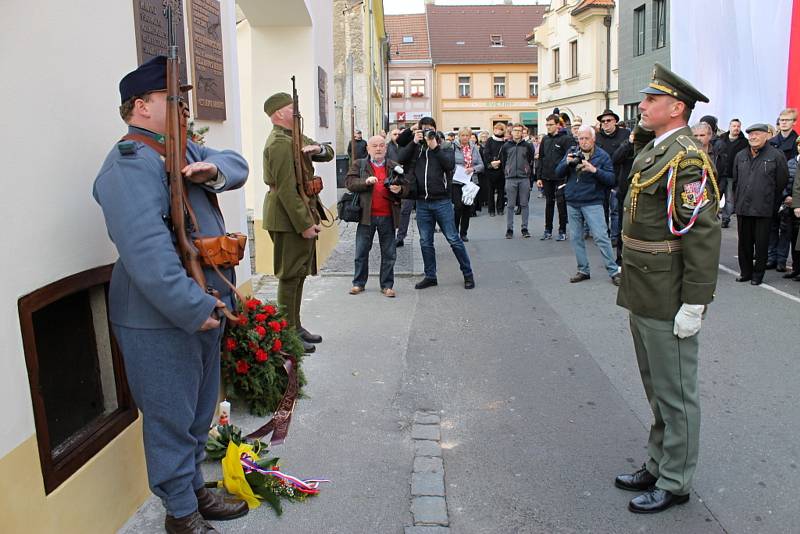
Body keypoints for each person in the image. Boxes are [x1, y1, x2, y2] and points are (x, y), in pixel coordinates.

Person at [93, 56, 250, 534]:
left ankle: (194, 491)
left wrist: (211, 170)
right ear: (141, 106)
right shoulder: (130, 164)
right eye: (172, 100)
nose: (183, 108)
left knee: (198, 413)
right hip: (160, 317)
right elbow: (147, 256)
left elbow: (237, 163)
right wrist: (194, 306)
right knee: (170, 419)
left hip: (202, 306)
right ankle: (181, 514)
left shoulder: (181, 152)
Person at [615, 63, 721, 514]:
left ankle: (676, 479)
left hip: (669, 291)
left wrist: (695, 302)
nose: (642, 106)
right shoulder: (655, 149)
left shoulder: (688, 157)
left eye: (651, 100)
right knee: (655, 386)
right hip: (644, 285)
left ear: (676, 108)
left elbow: (701, 233)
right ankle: (659, 462)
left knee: (675, 392)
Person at [262, 92, 335, 353]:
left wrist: (319, 149)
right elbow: (285, 190)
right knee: (290, 275)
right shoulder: (279, 143)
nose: (297, 112)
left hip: (298, 212)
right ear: (279, 113)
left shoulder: (294, 137)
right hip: (286, 218)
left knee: (300, 273)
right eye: (292, 108)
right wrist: (304, 223)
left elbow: (328, 152)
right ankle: (286, 335)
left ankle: (295, 326)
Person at [397, 116, 475, 289]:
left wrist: (435, 147)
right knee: (425, 241)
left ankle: (468, 274)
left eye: (429, 128)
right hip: (422, 202)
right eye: (423, 129)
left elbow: (449, 165)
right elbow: (400, 158)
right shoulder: (416, 148)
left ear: (434, 129)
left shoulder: (445, 146)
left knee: (453, 239)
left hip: (442, 202)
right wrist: (414, 142)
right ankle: (430, 276)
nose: (426, 132)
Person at [556, 125, 621, 284]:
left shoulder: (602, 155)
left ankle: (613, 271)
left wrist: (594, 170)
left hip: (592, 201)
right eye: (580, 138)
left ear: (593, 139)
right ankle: (583, 270)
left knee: (601, 237)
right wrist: (566, 162)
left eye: (586, 138)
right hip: (572, 200)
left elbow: (611, 180)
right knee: (576, 238)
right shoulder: (572, 152)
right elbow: (557, 172)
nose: (583, 142)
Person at [345, 136, 407, 297]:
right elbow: (349, 183)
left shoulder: (394, 166)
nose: (378, 149)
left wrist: (398, 190)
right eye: (374, 146)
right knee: (361, 251)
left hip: (387, 216)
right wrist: (365, 181)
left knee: (389, 253)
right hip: (366, 216)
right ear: (368, 149)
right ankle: (358, 283)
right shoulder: (360, 164)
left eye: (381, 146)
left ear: (386, 149)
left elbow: (407, 188)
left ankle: (387, 285)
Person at [732, 123, 789, 285]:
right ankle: (745, 272)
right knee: (744, 243)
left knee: (762, 244)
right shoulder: (741, 155)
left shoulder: (776, 155)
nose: (753, 137)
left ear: (767, 135)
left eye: (757, 134)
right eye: (750, 134)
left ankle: (758, 275)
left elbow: (781, 182)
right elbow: (736, 181)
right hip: (744, 207)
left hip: (764, 208)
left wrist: (770, 201)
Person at [767, 108, 799, 270]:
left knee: (787, 229)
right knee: (771, 226)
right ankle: (771, 257)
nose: (783, 123)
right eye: (781, 120)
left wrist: (791, 195)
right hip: (773, 190)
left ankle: (781, 260)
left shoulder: (797, 142)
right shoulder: (772, 141)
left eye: (787, 120)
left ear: (794, 122)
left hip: (789, 192)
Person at [536, 114, 576, 240]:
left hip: (561, 177)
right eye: (547, 125)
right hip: (547, 176)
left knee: (561, 204)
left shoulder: (566, 139)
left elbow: (569, 158)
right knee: (549, 203)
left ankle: (562, 230)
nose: (548, 127)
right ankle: (548, 230)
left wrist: (567, 175)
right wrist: (539, 177)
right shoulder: (545, 139)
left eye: (551, 125)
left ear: (558, 125)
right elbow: (541, 158)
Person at [595, 110, 631, 246]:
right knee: (602, 209)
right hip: (601, 178)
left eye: (608, 120)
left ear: (615, 121)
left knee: (615, 209)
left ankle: (616, 237)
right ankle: (605, 235)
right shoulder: (597, 137)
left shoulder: (625, 135)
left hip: (619, 178)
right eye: (603, 121)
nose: (605, 123)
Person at [500, 123, 535, 238]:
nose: (517, 133)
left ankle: (525, 228)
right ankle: (509, 229)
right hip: (510, 179)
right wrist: (507, 171)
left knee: (524, 204)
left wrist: (527, 172)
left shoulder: (528, 146)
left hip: (524, 178)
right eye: (515, 130)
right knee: (510, 205)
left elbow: (530, 160)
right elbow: (503, 161)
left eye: (519, 131)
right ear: (511, 132)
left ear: (522, 132)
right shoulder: (506, 146)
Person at [715, 119, 750, 228]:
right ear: (729, 127)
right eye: (734, 126)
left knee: (730, 199)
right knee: (716, 196)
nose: (736, 128)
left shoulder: (744, 142)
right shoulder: (721, 139)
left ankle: (726, 218)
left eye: (738, 126)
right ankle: (713, 217)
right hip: (719, 174)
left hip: (732, 175)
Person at [453, 127, 484, 241]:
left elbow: (481, 165)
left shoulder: (474, 148)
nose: (465, 138)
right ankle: (454, 231)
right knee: (458, 207)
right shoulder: (453, 147)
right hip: (457, 181)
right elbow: (449, 163)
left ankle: (463, 233)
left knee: (467, 207)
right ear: (459, 136)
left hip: (470, 181)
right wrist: (458, 168)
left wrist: (473, 169)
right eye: (463, 135)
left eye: (467, 135)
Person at [484, 123, 507, 216]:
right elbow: (486, 153)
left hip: (501, 169)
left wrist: (499, 162)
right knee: (490, 191)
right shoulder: (490, 140)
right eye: (496, 128)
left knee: (501, 190)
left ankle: (500, 209)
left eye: (500, 129)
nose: (497, 130)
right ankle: (491, 210)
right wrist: (492, 162)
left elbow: (506, 154)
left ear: (503, 130)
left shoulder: (505, 142)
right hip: (490, 169)